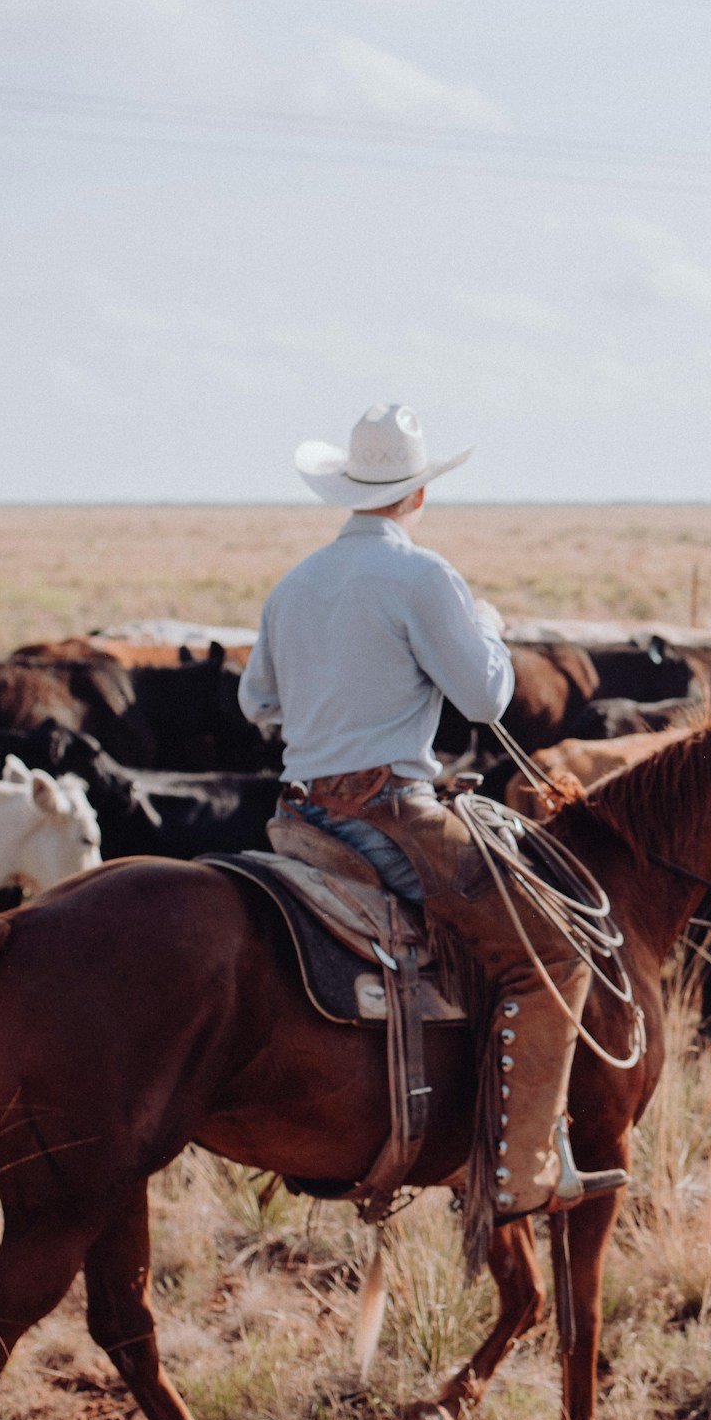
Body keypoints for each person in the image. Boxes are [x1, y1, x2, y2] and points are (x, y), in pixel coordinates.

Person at [237, 402, 624, 1226]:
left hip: (298, 816)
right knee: (553, 952)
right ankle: (521, 1170)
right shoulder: (423, 577)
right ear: (417, 494)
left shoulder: (294, 583)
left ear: (347, 488)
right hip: (393, 817)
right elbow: (487, 697)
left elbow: (257, 702)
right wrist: (483, 627)